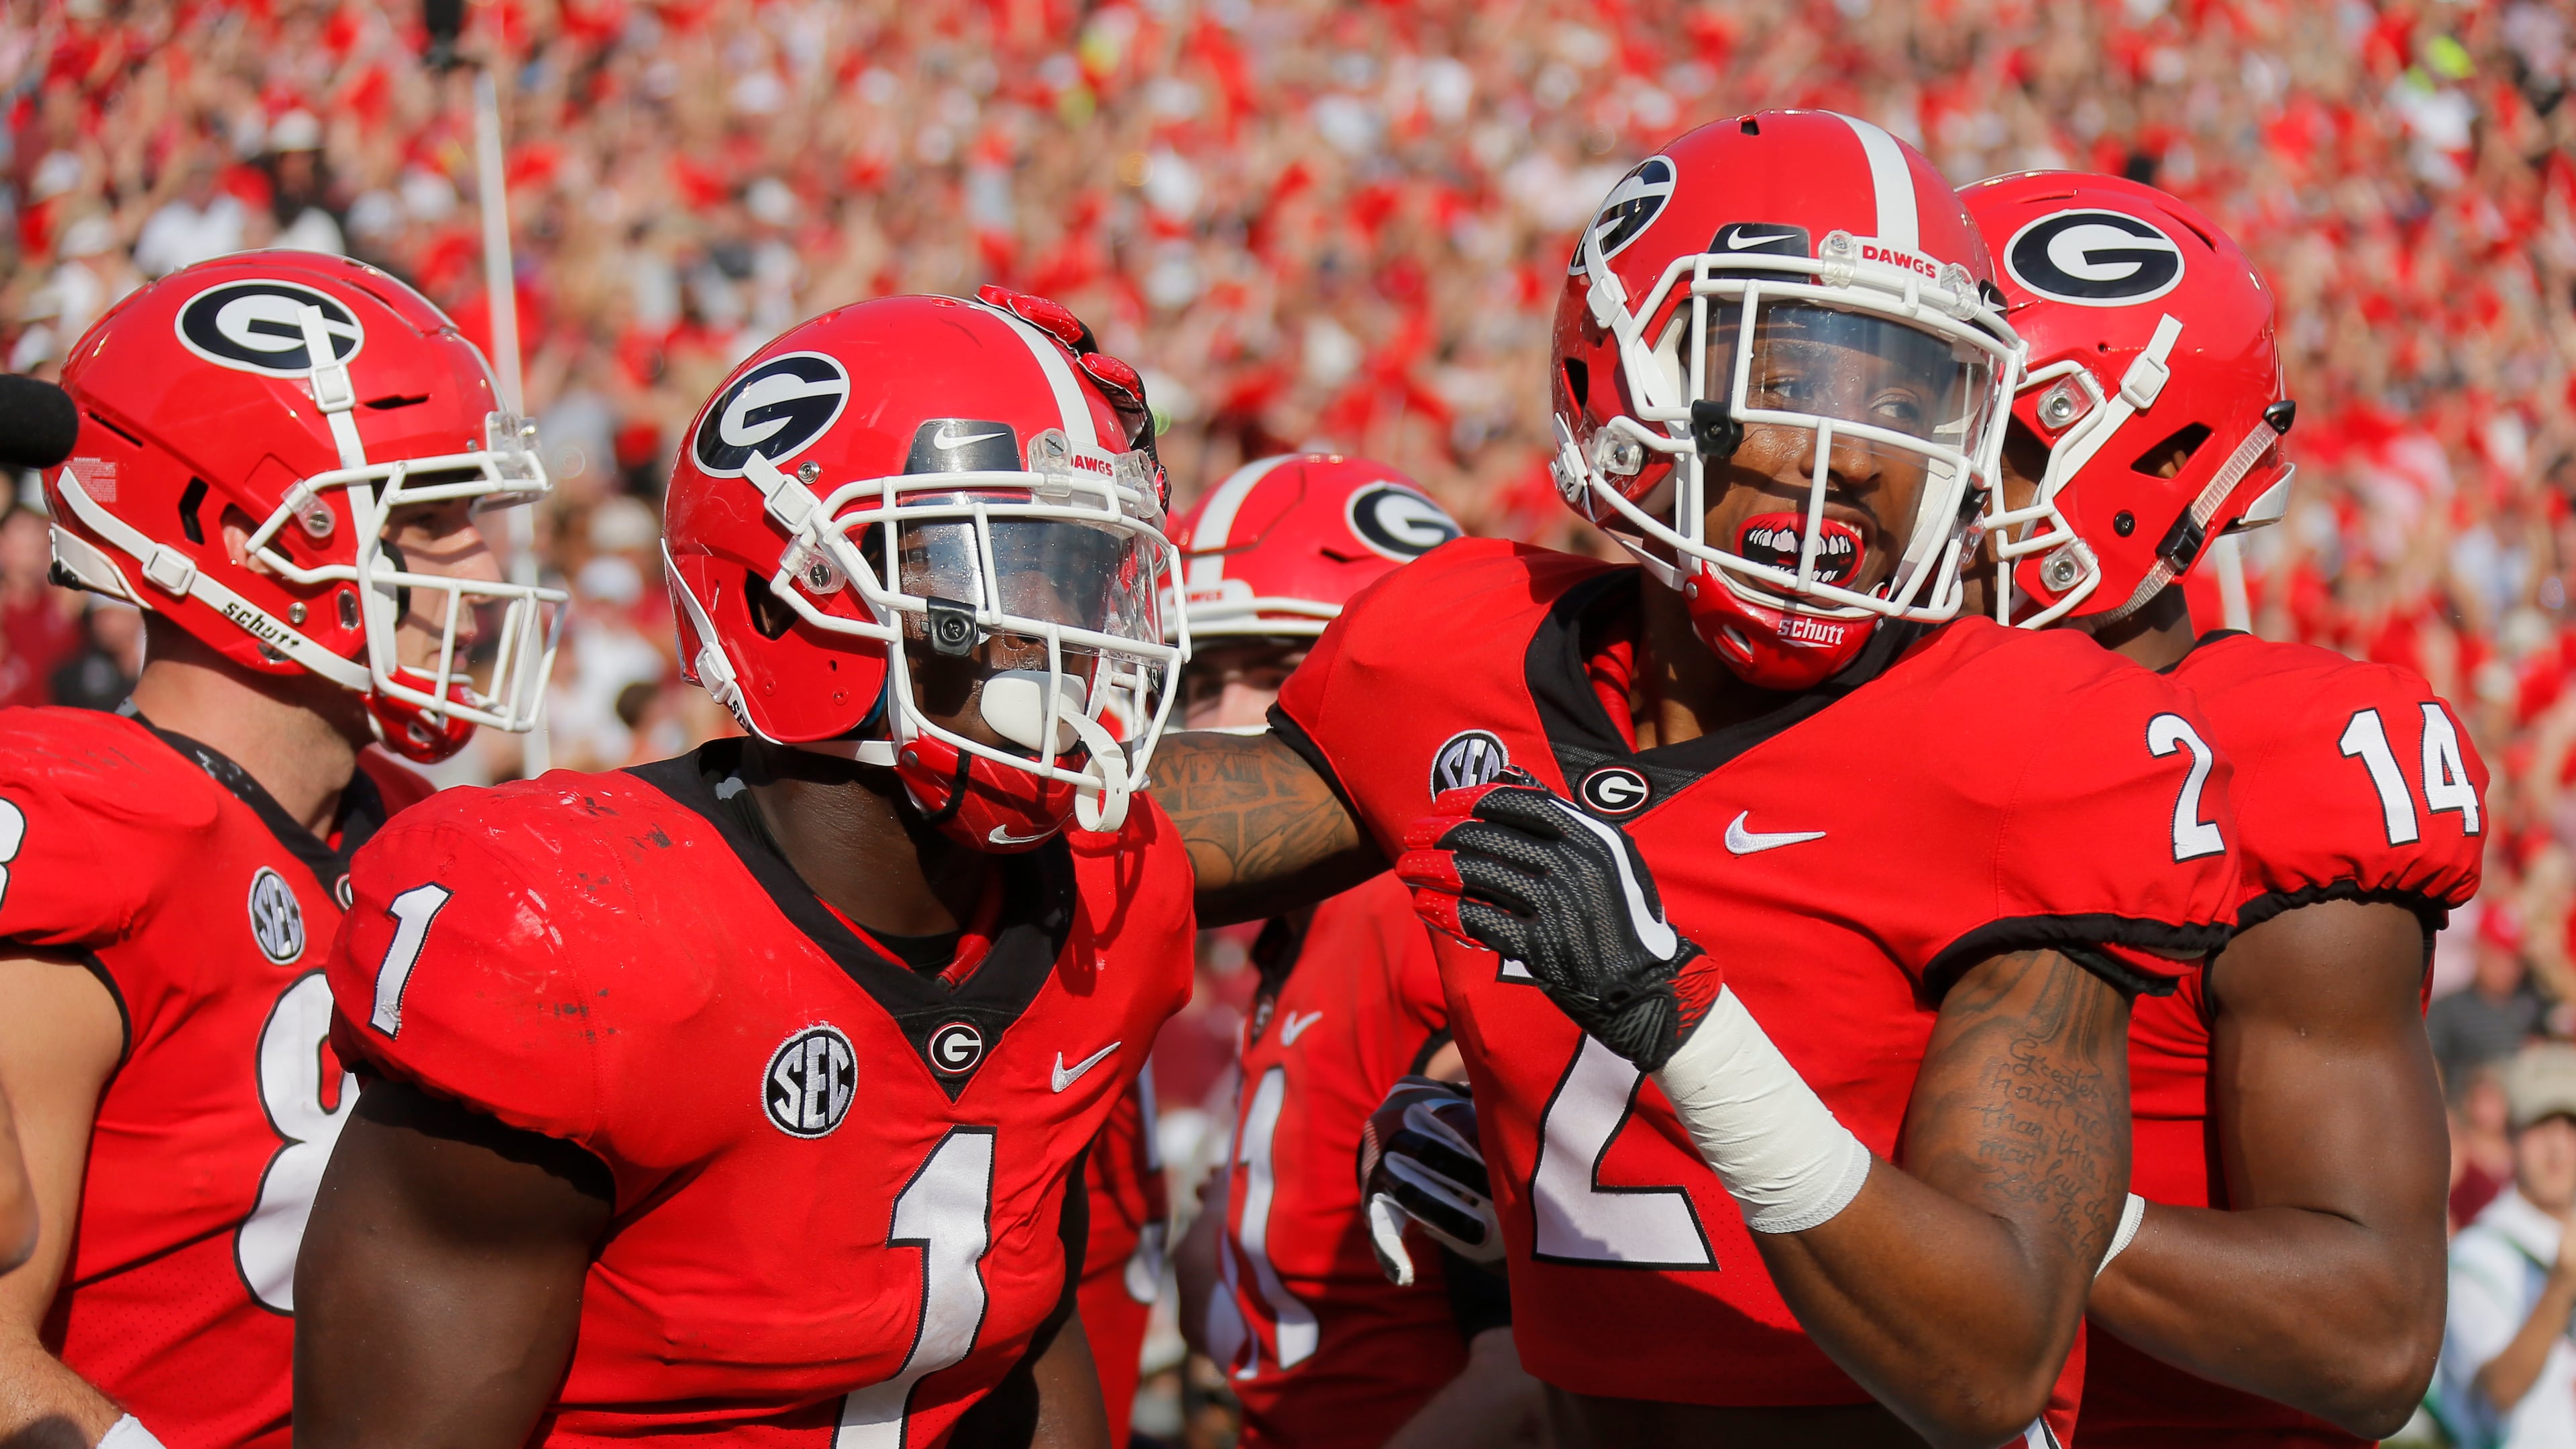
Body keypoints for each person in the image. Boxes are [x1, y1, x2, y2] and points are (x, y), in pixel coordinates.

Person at [1148, 111, 2244, 1449]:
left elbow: (1993, 1356)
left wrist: (1675, 1023)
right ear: (1629, 378)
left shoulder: (2032, 743)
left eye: (1906, 402)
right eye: (1794, 377)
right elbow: (1120, 835)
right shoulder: (1458, 650)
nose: (1844, 457)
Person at [294, 288, 1199, 1448]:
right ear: (798, 594)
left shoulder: (1103, 894)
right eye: (1016, 572)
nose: (1075, 636)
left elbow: (1016, 1353)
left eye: (1086, 579)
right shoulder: (576, 933)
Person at [1958, 170, 2485, 1447]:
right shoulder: (1837, 715)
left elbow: (2369, 1329)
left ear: (2120, 457)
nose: (1873, 459)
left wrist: (1965, 1215)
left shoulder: (2275, 762)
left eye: (1948, 419)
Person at [0, 253, 561, 1449]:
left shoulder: (413, 825)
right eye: (430, 518)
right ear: (248, 541)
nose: (485, 565)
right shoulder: (86, 832)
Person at [1161, 453, 1547, 1449]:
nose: (1217, 720)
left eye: (1277, 672)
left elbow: (1536, 1370)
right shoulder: (1305, 931)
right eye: (1199, 677)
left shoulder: (1423, 924)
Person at [2440, 1042, 2576, 1449]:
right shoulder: (2478, 1255)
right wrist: (2562, 1285)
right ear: (2512, 1136)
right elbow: (2496, 1395)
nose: (2558, 1147)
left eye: (2572, 1128)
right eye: (2542, 1125)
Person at [2432, 905, 2544, 1084]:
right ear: (2479, 951)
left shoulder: (2535, 1007)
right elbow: (2431, 1067)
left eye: (2515, 959)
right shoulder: (2448, 1010)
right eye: (2499, 955)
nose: (2508, 968)